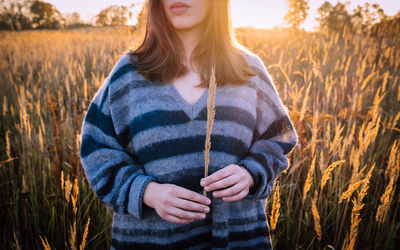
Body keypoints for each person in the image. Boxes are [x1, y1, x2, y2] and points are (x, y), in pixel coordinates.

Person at [79, 0, 298, 249]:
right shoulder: (128, 75)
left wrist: (250, 173)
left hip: (238, 240)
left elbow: (278, 138)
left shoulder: (248, 71)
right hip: (151, 242)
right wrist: (147, 192)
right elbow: (96, 149)